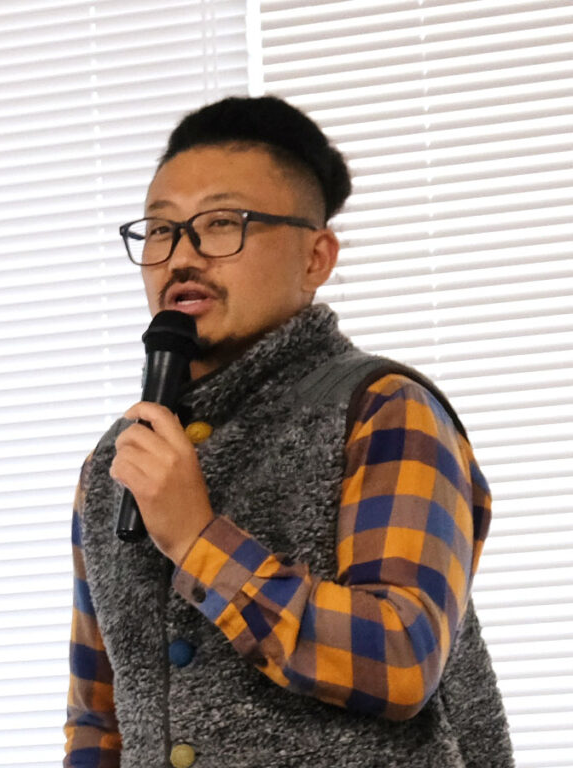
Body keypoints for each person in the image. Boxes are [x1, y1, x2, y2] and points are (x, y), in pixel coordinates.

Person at [63, 96, 513, 768]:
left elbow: (401, 657)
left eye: (221, 223)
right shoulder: (116, 462)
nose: (181, 256)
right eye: (160, 229)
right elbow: (98, 721)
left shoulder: (384, 409)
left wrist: (197, 541)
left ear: (315, 258)